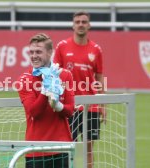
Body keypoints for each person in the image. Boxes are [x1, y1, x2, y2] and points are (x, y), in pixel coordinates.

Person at [53, 11, 106, 168]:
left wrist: (102, 104)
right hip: (70, 105)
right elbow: (56, 74)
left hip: (91, 105)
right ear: (73, 25)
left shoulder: (96, 49)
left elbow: (99, 77)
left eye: (84, 22)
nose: (81, 24)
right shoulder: (62, 47)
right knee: (68, 146)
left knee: (89, 147)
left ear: (89, 25)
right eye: (77, 22)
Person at [17, 33, 74, 168]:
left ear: (50, 52)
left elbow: (70, 110)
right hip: (35, 149)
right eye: (31, 52)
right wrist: (45, 89)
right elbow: (34, 112)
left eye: (38, 52)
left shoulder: (65, 75)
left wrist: (58, 106)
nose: (34, 56)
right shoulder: (24, 79)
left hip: (61, 147)